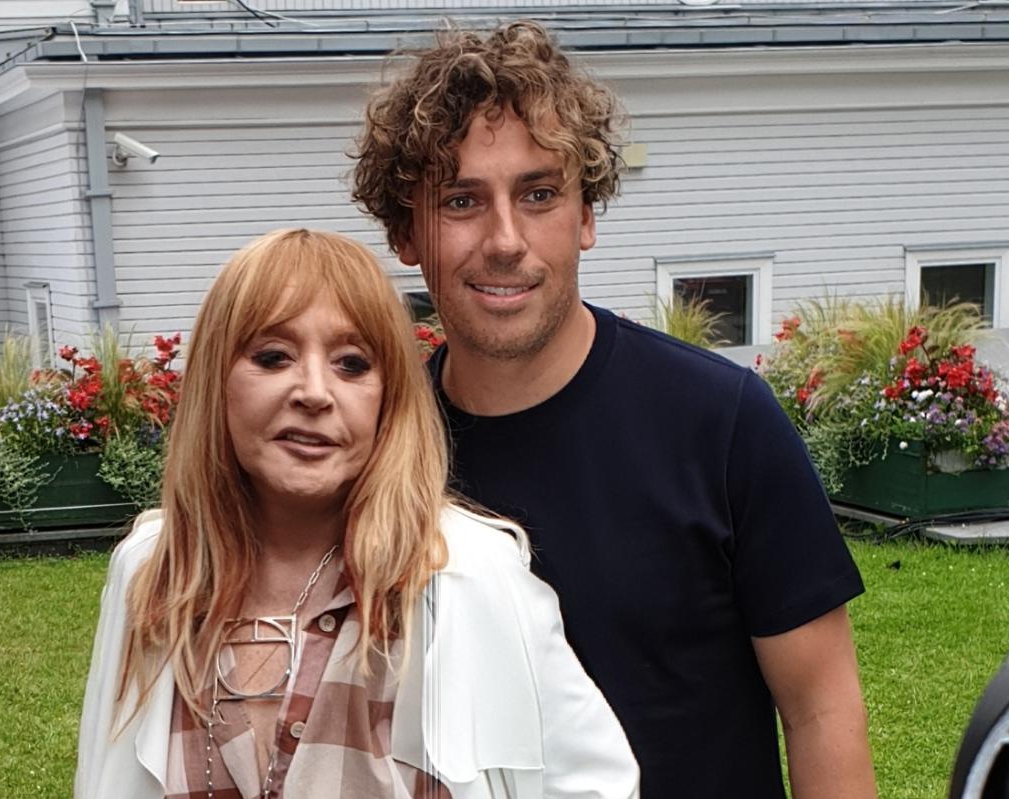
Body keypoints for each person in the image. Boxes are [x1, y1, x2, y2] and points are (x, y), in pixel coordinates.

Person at [352, 21, 877, 799]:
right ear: (405, 232)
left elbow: (821, 707)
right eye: (461, 200)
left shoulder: (721, 422)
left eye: (539, 194)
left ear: (587, 215)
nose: (505, 240)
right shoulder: (381, 453)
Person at [74, 228, 640, 799]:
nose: (314, 392)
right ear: (214, 383)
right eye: (273, 357)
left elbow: (597, 785)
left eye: (351, 364)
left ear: (388, 398)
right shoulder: (153, 571)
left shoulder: (468, 574)